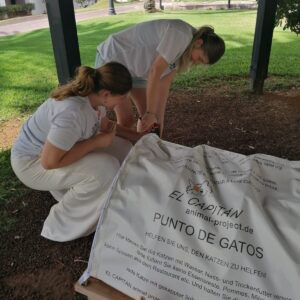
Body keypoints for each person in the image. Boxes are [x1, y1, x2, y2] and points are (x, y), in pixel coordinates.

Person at [11, 62, 140, 242]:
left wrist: (139, 136)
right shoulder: (71, 113)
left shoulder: (94, 98)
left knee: (124, 149)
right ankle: (60, 224)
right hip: (31, 165)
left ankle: (105, 196)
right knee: (105, 169)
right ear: (106, 94)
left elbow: (102, 125)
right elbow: (49, 162)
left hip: (55, 153)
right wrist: (96, 142)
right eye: (123, 97)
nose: (124, 102)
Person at [95, 19, 225, 136]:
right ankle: (110, 150)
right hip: (114, 59)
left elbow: (163, 89)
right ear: (198, 43)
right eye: (200, 58)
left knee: (151, 124)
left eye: (202, 63)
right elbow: (155, 71)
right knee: (126, 120)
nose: (197, 63)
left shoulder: (184, 54)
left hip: (137, 70)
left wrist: (157, 124)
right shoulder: (181, 35)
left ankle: (143, 152)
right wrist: (151, 114)